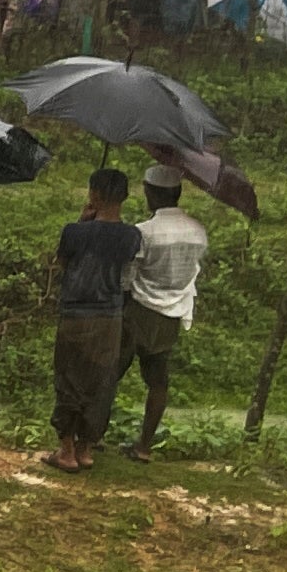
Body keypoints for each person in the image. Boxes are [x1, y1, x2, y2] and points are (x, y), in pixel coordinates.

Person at [47, 167, 141, 473]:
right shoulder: (131, 235)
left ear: (94, 195)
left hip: (76, 312)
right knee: (100, 381)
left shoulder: (74, 232)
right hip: (110, 315)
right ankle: (86, 448)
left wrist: (80, 222)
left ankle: (66, 449)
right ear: (125, 197)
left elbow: (61, 262)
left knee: (68, 377)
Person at [118, 169, 209, 455]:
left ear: (152, 192)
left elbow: (127, 277)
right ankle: (144, 446)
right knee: (158, 381)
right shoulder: (198, 230)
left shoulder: (144, 231)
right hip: (173, 313)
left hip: (140, 309)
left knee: (113, 371)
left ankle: (91, 437)